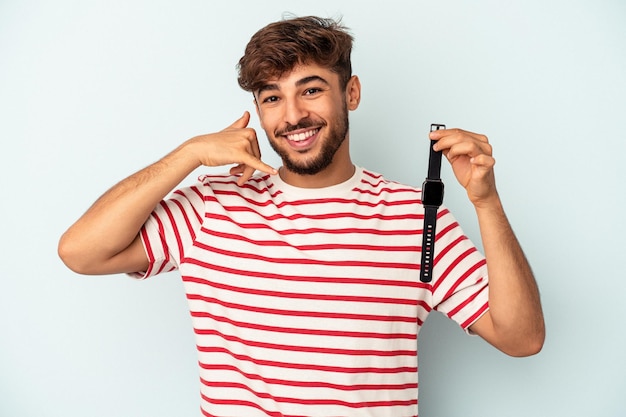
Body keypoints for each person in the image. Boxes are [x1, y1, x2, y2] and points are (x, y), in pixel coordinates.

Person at [58, 15, 545, 417]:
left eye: (310, 90)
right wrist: (187, 155)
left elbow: (521, 338)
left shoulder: (416, 216)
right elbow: (80, 252)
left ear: (350, 93)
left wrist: (487, 203)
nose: (291, 116)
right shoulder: (212, 205)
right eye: (272, 97)